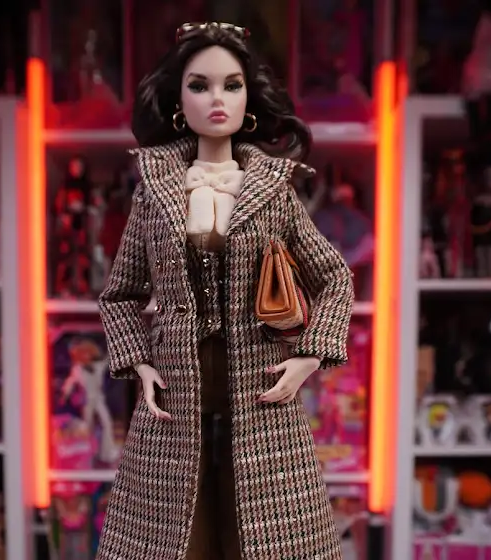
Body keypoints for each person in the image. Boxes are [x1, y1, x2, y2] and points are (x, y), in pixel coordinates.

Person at [96, 21, 354, 560]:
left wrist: (309, 356)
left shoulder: (273, 191)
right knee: (171, 538)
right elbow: (120, 293)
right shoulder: (156, 191)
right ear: (178, 101)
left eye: (231, 85)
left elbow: (334, 276)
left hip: (261, 390)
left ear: (248, 98)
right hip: (175, 398)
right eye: (200, 85)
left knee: (264, 536)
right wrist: (139, 364)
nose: (217, 99)